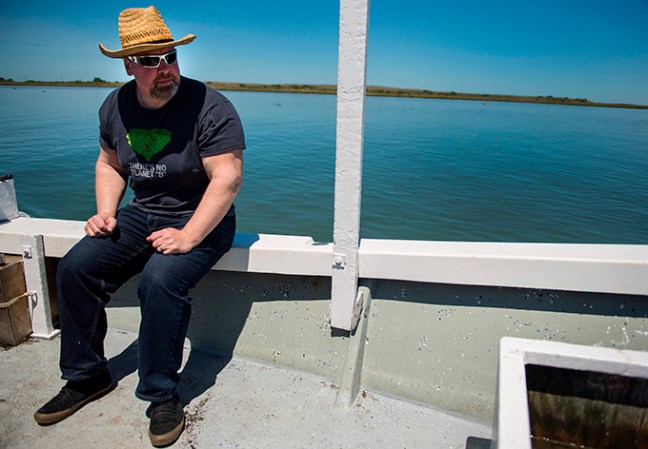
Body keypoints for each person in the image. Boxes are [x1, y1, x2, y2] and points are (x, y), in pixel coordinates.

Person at [33, 6, 245, 447]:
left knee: (160, 280)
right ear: (128, 64)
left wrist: (188, 236)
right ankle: (86, 376)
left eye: (169, 56)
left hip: (201, 216)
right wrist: (105, 211)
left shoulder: (211, 106)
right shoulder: (115, 105)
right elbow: (109, 164)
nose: (164, 69)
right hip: (141, 212)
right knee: (75, 268)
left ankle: (161, 394)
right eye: (150, 61)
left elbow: (227, 180)